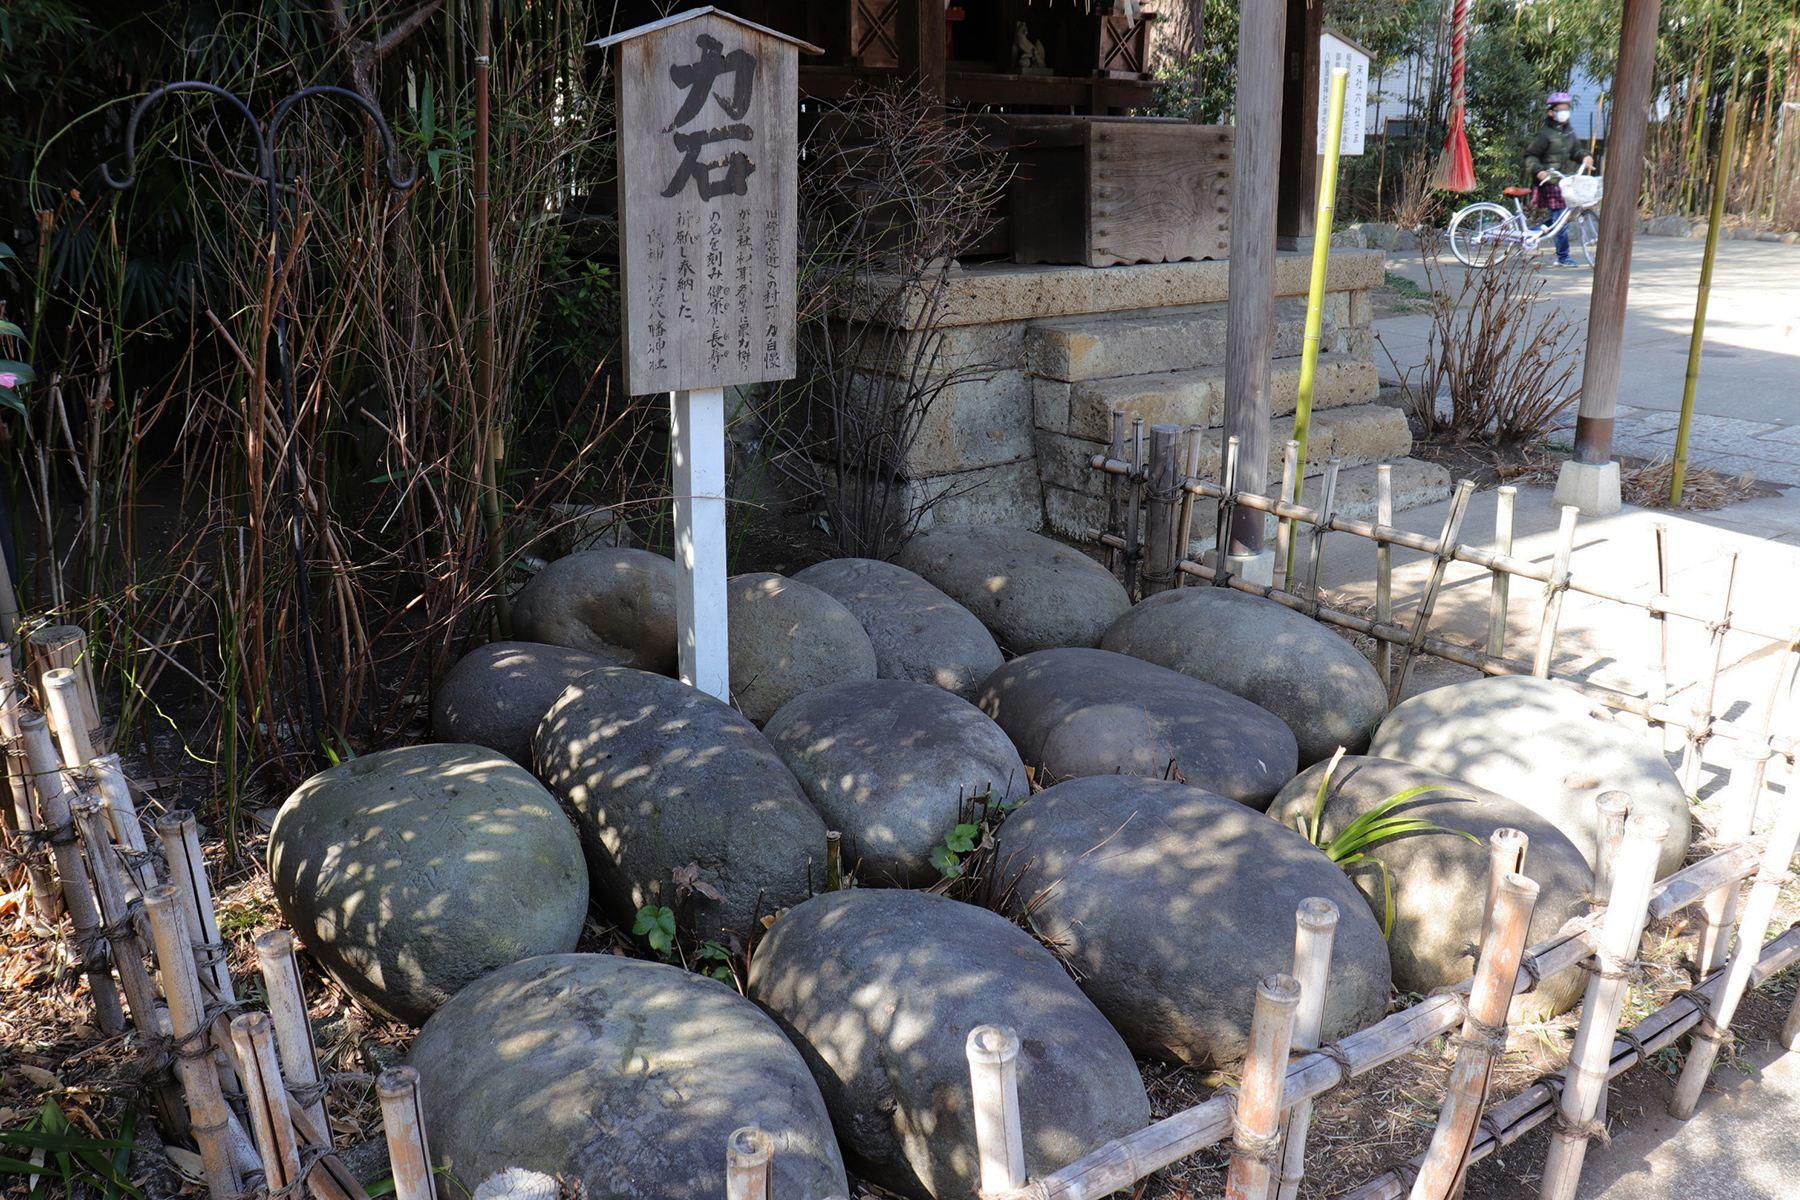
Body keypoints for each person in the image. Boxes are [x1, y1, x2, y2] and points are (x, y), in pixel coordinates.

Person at [1524, 92, 1596, 266]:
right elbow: (1530, 156)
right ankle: (1563, 257)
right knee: (1560, 219)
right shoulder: (1545, 134)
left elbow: (1576, 150)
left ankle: (1532, 233)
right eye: (1561, 110)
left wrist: (1585, 156)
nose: (1565, 113)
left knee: (1560, 219)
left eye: (1566, 109)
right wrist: (1539, 171)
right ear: (1551, 112)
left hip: (1565, 181)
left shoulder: (1569, 132)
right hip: (1550, 182)